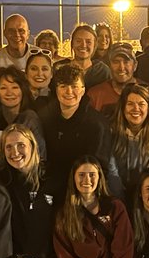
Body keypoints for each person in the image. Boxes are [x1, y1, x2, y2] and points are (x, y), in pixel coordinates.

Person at [53, 157, 134, 258]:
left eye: (92, 175)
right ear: (73, 179)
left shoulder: (115, 208)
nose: (87, 180)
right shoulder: (64, 216)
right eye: (81, 175)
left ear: (99, 177)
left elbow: (123, 251)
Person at [0, 125, 59, 258]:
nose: (15, 152)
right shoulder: (1, 179)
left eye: (21, 145)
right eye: (8, 147)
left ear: (33, 146)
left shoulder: (52, 177)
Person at [38, 63, 111, 200]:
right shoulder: (45, 117)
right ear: (56, 89)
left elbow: (100, 168)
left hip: (85, 187)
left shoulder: (96, 124)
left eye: (74, 87)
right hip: (53, 183)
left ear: (83, 90)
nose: (69, 92)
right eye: (63, 86)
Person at [106, 82, 149, 198]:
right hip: (117, 191)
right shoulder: (111, 128)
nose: (136, 109)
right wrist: (120, 199)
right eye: (130, 104)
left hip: (147, 194)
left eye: (141, 104)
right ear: (123, 107)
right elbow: (112, 170)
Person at [86, 43, 149, 122]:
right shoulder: (95, 95)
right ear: (109, 65)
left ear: (135, 65)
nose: (121, 68)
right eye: (116, 62)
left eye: (126, 62)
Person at [0, 65, 45, 160]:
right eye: (3, 88)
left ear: (23, 90)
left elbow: (41, 156)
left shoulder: (30, 118)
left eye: (15, 87)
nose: (9, 93)